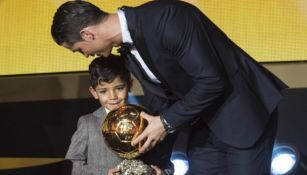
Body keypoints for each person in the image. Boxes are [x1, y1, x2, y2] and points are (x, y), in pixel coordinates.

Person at [51, 1, 288, 174]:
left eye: (79, 49)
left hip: (242, 116)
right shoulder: (127, 51)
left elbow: (212, 80)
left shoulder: (167, 18)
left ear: (87, 34)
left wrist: (164, 123)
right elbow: (160, 103)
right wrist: (150, 167)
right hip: (203, 127)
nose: (84, 55)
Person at [65, 55, 167, 175]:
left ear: (130, 85)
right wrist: (104, 173)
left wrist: (162, 173)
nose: (113, 97)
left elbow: (166, 162)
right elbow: (71, 165)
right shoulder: (88, 123)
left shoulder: (147, 118)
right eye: (103, 91)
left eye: (119, 88)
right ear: (94, 92)